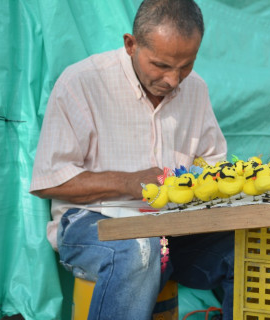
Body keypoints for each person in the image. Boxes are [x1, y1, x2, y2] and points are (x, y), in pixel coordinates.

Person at [30, 1, 234, 319]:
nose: (174, 80)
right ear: (131, 44)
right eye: (161, 65)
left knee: (249, 249)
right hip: (90, 225)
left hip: (174, 229)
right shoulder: (82, 83)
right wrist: (130, 182)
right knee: (140, 249)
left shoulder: (196, 90)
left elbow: (213, 163)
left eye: (186, 65)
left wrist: (212, 181)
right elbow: (51, 179)